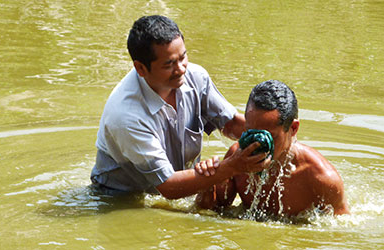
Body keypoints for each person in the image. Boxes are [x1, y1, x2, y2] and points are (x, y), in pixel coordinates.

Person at [90, 15, 270, 199]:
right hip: (119, 198)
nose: (181, 69)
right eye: (169, 64)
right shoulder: (126, 116)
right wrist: (232, 166)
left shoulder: (195, 77)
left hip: (174, 186)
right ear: (141, 68)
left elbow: (231, 124)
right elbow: (168, 186)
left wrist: (275, 142)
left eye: (183, 57)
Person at [195, 80, 350, 216]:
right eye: (252, 133)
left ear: (293, 128)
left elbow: (337, 234)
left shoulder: (322, 178)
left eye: (270, 137)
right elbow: (210, 212)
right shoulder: (237, 158)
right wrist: (207, 181)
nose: (258, 146)